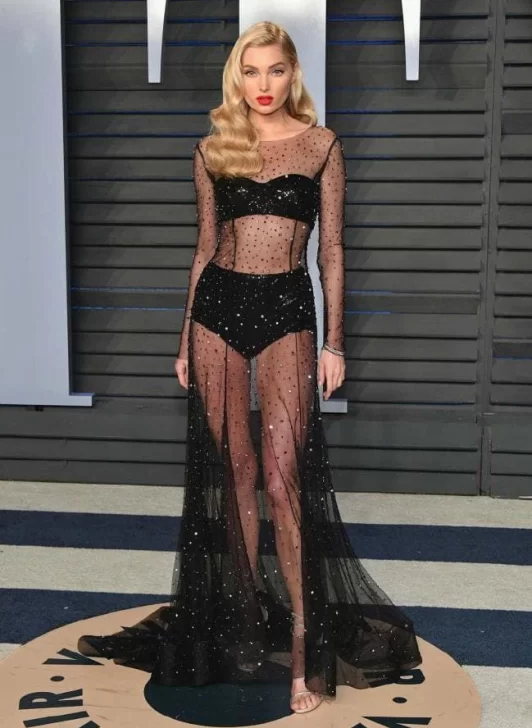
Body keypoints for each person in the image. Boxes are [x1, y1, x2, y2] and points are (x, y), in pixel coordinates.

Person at [77, 20, 422, 716]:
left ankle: (302, 645)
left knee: (282, 482)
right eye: (251, 71)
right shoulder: (213, 148)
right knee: (233, 475)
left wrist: (335, 344)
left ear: (293, 74)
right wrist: (183, 340)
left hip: (287, 311)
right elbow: (204, 249)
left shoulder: (322, 146)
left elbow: (332, 253)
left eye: (275, 70)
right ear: (237, 76)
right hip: (216, 312)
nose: (263, 85)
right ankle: (240, 626)